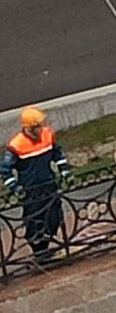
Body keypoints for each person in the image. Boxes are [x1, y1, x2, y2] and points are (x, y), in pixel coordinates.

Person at [1, 106, 71, 264]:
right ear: (28, 128)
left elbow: (57, 153)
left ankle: (47, 246)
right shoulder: (16, 145)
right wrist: (15, 187)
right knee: (35, 221)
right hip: (31, 191)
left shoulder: (47, 135)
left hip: (49, 185)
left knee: (54, 217)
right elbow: (5, 169)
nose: (42, 128)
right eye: (38, 126)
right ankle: (40, 253)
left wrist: (65, 171)